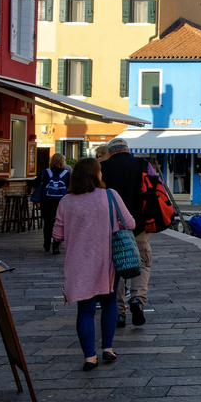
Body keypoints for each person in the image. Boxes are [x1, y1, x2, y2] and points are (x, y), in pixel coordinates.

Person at [52, 157, 135, 371]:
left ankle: (90, 357)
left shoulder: (66, 201)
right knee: (109, 303)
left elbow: (57, 235)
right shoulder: (110, 195)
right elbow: (130, 223)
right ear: (96, 174)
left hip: (78, 264)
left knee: (85, 310)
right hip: (107, 261)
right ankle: (108, 348)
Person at [100, 138, 152, 328]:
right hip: (139, 225)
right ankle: (138, 299)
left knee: (116, 267)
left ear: (110, 152)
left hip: (110, 227)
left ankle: (119, 312)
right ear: (127, 150)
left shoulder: (102, 168)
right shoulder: (142, 164)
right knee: (143, 262)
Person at [30, 153, 71, 254]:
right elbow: (71, 188)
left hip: (46, 202)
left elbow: (35, 183)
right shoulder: (66, 174)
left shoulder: (45, 172)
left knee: (48, 222)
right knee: (60, 222)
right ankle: (56, 244)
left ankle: (47, 243)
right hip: (61, 203)